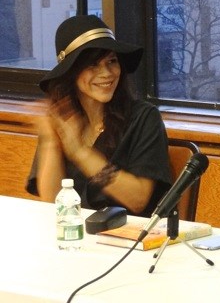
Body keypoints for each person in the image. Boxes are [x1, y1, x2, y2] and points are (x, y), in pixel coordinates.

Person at [27, 15, 171, 217]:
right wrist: (51, 141)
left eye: (112, 61)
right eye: (93, 64)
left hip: (130, 239)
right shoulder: (62, 117)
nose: (107, 73)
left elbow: (138, 200)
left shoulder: (144, 117)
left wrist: (80, 152)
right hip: (77, 234)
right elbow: (52, 201)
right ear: (71, 72)